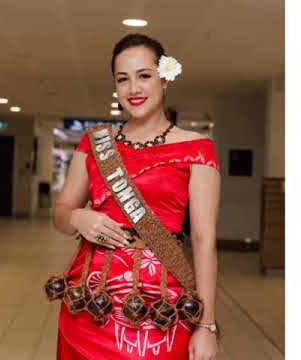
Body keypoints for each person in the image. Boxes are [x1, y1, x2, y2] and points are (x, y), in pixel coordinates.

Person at [51, 33, 221, 359]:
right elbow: (60, 214)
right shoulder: (94, 143)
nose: (134, 89)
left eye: (144, 76)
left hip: (162, 307)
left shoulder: (197, 149)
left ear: (164, 79)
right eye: (123, 79)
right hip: (89, 303)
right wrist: (76, 217)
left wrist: (206, 326)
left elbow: (203, 240)